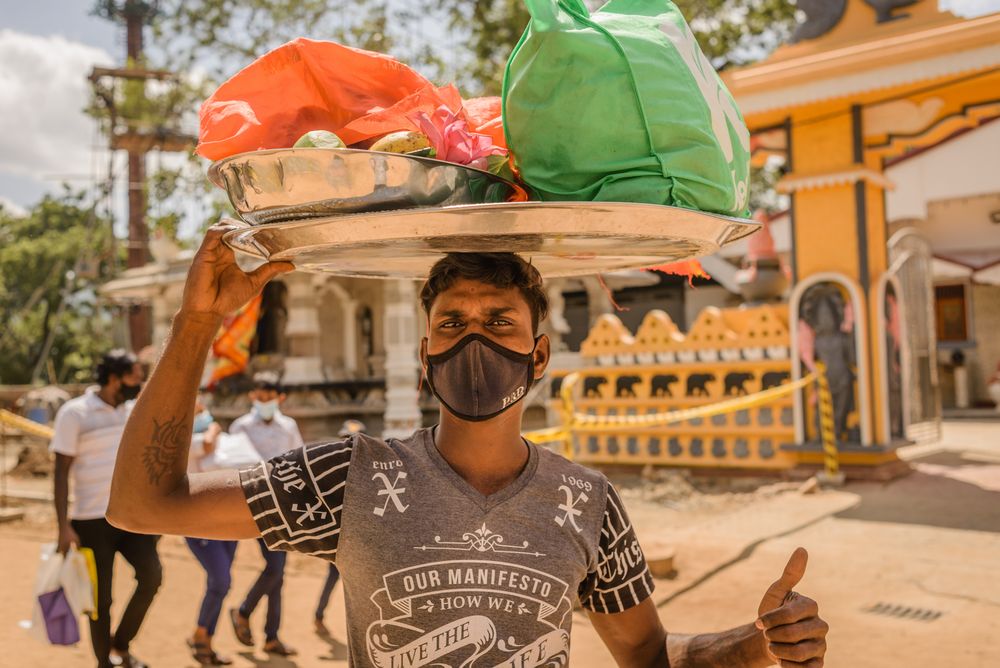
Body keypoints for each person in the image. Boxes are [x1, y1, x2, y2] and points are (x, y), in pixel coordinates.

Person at [108, 226, 829, 667]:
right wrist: (195, 327)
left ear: (540, 355)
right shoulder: (353, 477)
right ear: (425, 355)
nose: (475, 339)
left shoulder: (587, 504)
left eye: (500, 323)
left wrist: (759, 643)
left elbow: (645, 655)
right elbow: (144, 503)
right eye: (452, 325)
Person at [51, 350, 160, 668]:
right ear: (114, 378)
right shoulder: (75, 414)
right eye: (134, 377)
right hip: (90, 521)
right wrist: (63, 526)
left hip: (131, 517)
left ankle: (121, 644)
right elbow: (60, 472)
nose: (139, 384)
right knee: (101, 599)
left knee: (152, 576)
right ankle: (104, 662)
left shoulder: (133, 411)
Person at [226, 372, 302, 657]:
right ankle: (244, 612)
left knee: (278, 573)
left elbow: (297, 458)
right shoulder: (240, 427)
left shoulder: (288, 426)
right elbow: (232, 464)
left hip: (284, 505)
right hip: (252, 502)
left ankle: (271, 636)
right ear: (251, 396)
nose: (264, 400)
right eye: (259, 395)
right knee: (275, 567)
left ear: (279, 398)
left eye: (269, 396)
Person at [185, 395, 235, 666]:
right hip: (198, 519)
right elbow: (205, 445)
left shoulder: (216, 434)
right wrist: (215, 429)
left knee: (221, 583)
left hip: (226, 518)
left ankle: (206, 639)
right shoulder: (182, 434)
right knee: (221, 580)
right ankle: (199, 634)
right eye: (196, 403)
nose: (201, 405)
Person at [313, 419, 366, 637]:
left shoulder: (369, 471)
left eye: (354, 441)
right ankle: (319, 616)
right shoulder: (330, 471)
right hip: (339, 539)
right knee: (335, 579)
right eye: (346, 440)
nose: (350, 445)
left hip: (361, 541)